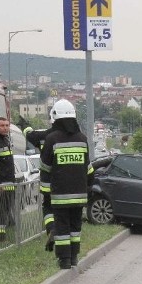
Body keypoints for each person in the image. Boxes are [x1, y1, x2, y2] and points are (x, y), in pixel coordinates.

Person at [40, 99, 94, 269]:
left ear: (55, 117)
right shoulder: (82, 138)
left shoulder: (51, 139)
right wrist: (88, 187)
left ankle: (64, 260)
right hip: (79, 194)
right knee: (75, 228)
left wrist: (46, 192)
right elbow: (88, 168)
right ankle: (74, 258)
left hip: (60, 195)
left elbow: (45, 168)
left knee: (62, 228)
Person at [26, 122, 59, 251]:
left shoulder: (43, 136)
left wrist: (27, 129)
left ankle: (51, 229)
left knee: (48, 207)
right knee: (63, 210)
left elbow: (29, 135)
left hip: (47, 181)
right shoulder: (69, 136)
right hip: (65, 181)